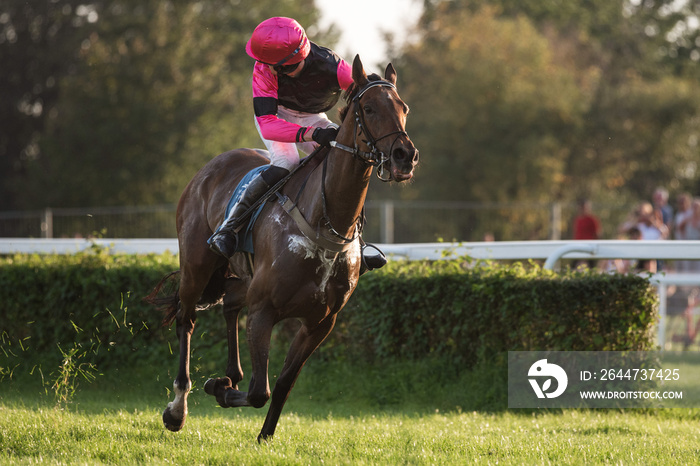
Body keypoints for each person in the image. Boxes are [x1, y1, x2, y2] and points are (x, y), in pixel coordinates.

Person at [208, 17, 386, 271]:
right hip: (277, 117)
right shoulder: (263, 70)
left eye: (271, 66)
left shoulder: (332, 65)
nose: (263, 68)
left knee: (347, 160)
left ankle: (357, 240)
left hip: (312, 116)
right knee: (287, 161)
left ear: (289, 63)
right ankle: (229, 228)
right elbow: (269, 124)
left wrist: (376, 85)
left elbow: (367, 90)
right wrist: (311, 134)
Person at [572, 199, 601, 269]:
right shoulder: (577, 219)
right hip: (578, 246)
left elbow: (598, 234)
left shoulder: (592, 219)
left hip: (589, 247)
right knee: (574, 267)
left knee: (591, 267)